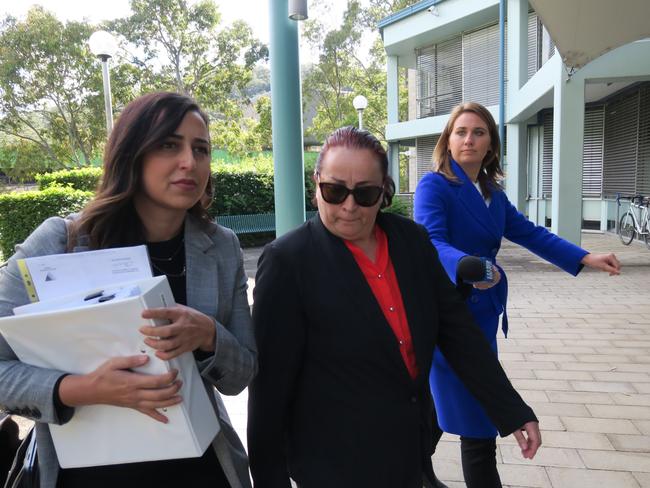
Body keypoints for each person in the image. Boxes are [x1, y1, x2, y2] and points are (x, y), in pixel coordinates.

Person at [247, 126, 542, 488]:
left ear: (384, 190)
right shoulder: (287, 261)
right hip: (334, 465)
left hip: (407, 452)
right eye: (334, 191)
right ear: (317, 182)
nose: (349, 206)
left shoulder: (411, 241)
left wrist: (511, 410)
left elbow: (457, 332)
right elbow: (269, 392)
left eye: (366, 193)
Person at [0, 92, 257, 488]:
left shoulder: (220, 247)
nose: (190, 161)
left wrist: (207, 335)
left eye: (201, 149)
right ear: (131, 153)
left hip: (197, 466)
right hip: (86, 471)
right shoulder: (62, 241)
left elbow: (241, 374)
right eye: (169, 145)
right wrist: (81, 389)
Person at [413, 101, 621, 488]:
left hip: (483, 312)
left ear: (491, 143)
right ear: (448, 140)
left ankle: (413, 472)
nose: (469, 140)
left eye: (478, 132)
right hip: (448, 313)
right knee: (477, 418)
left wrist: (585, 256)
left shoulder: (493, 193)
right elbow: (430, 242)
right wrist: (468, 265)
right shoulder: (435, 185)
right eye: (460, 132)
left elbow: (530, 233)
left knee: (442, 403)